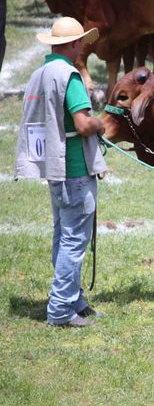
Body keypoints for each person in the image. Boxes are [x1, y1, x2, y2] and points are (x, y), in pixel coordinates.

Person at [14, 17, 107, 327]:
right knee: (73, 241)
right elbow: (82, 124)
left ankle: (72, 298)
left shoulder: (40, 73)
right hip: (76, 171)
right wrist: (100, 124)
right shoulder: (70, 75)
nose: (82, 47)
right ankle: (60, 310)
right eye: (80, 42)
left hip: (55, 170)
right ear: (71, 45)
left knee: (63, 236)